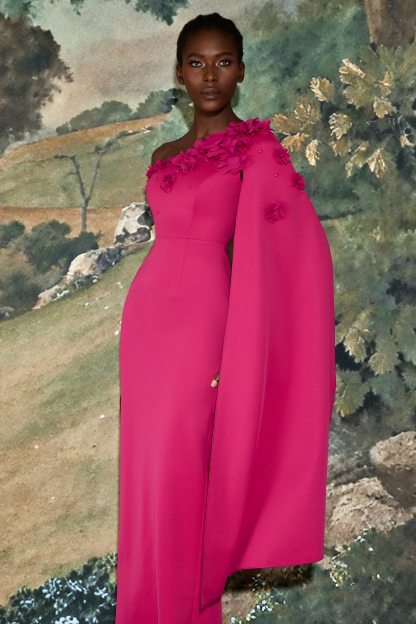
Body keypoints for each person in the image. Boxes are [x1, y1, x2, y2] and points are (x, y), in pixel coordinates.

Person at [115, 11, 336, 624]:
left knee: (183, 467)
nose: (209, 75)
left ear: (241, 70)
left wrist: (246, 345)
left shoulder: (258, 150)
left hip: (205, 324)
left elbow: (298, 255)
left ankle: (186, 610)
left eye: (223, 62)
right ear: (179, 73)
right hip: (147, 322)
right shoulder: (163, 154)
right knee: (147, 473)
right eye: (196, 63)